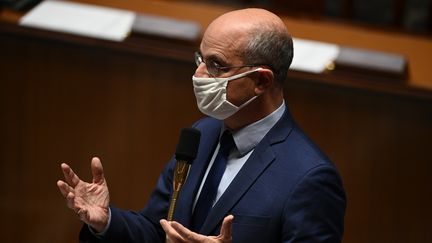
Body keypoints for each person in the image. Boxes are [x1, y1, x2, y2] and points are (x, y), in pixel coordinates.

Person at [57, 8, 346, 243]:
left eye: (216, 65)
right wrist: (107, 221)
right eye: (200, 58)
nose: (199, 74)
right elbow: (160, 231)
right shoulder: (202, 134)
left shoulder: (310, 178)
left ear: (261, 81)